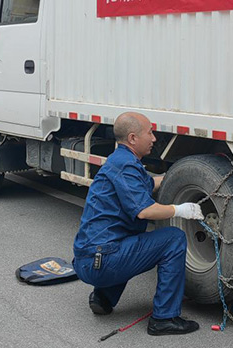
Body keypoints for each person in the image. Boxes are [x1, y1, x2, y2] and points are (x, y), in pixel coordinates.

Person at [72, 112, 204, 336]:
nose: (154, 138)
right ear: (133, 138)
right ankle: (164, 318)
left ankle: (103, 297)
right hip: (102, 261)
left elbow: (150, 183)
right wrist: (182, 210)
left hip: (88, 260)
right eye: (150, 132)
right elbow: (144, 211)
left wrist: (180, 174)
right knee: (173, 239)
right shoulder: (126, 166)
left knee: (130, 242)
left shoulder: (122, 161)